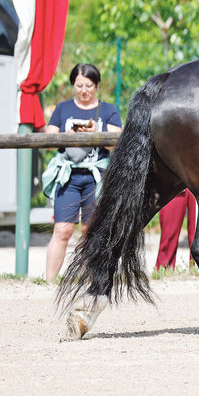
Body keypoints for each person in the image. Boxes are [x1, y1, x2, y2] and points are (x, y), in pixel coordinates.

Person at [42, 63, 122, 282]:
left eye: (88, 85)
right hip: (68, 177)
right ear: (73, 85)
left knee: (90, 230)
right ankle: (48, 280)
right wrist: (67, 134)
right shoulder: (62, 108)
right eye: (79, 85)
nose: (84, 90)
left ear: (96, 86)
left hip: (96, 178)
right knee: (62, 230)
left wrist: (97, 132)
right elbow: (48, 141)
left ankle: (85, 278)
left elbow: (118, 143)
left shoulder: (108, 110)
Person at [155, 189, 197, 270]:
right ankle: (164, 268)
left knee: (198, 232)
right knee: (169, 233)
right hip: (175, 185)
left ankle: (197, 269)